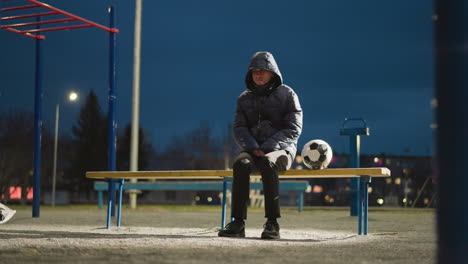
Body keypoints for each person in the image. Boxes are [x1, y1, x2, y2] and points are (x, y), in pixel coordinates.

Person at [218, 51, 303, 239]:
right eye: (255, 71)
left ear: (272, 73)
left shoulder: (288, 94)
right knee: (240, 164)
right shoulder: (244, 98)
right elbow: (239, 128)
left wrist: (268, 147)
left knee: (267, 162)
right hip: (253, 149)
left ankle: (272, 223)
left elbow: (294, 128)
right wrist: (251, 146)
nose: (258, 74)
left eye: (263, 71)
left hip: (281, 150)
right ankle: (238, 223)